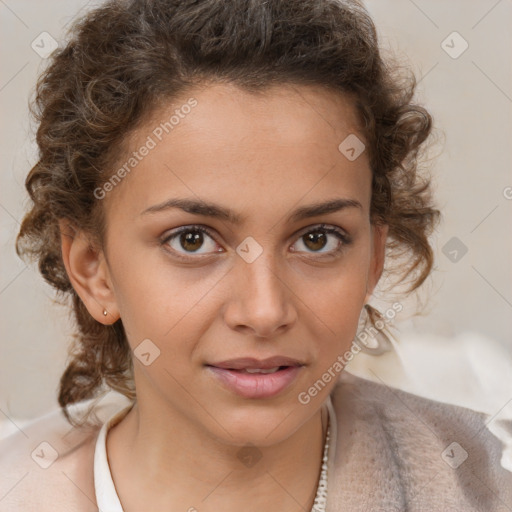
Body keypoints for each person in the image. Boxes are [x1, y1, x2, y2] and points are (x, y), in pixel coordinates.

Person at [1, 0, 511, 510]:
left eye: (318, 239)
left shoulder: (484, 487)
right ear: (94, 270)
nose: (265, 311)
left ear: (374, 258)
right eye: (193, 240)